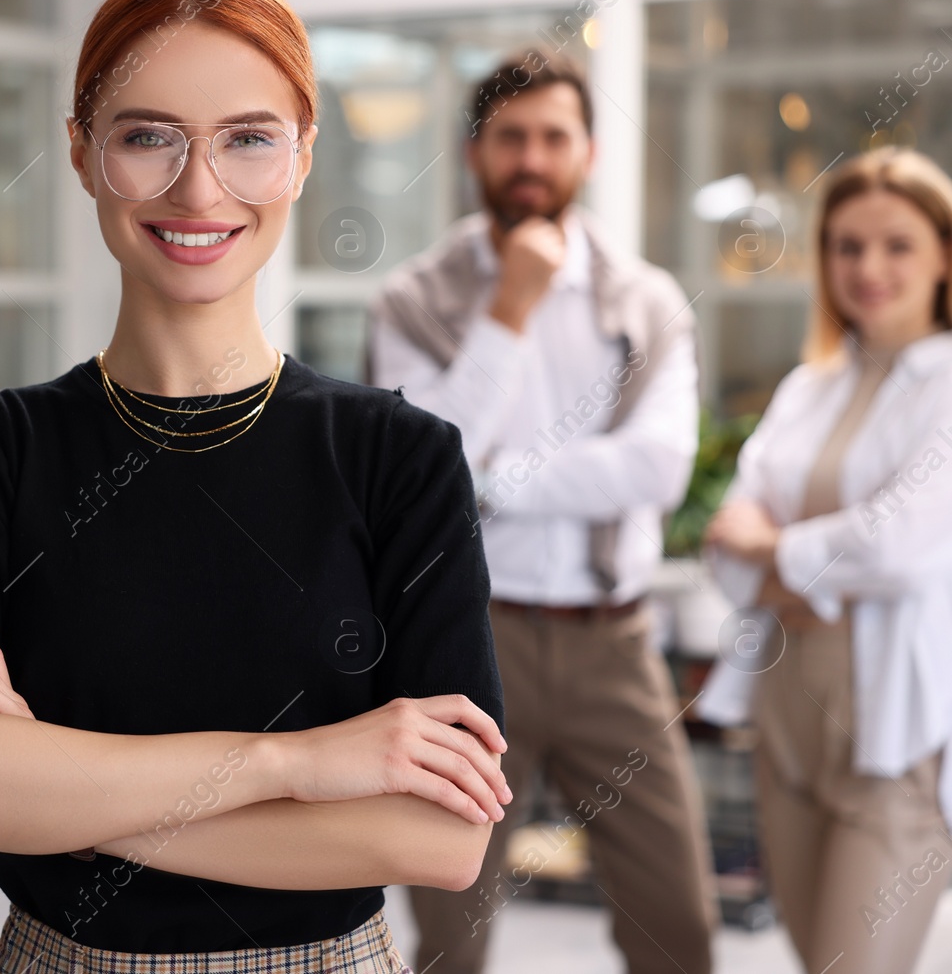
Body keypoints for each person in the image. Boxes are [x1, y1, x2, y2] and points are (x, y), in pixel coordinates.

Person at [0, 0, 511, 973]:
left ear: (301, 154)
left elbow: (440, 836)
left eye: (247, 139)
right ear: (81, 153)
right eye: (147, 136)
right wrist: (291, 763)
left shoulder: (401, 459)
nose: (197, 187)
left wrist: (44, 783)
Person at [367, 49, 718, 974]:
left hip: (616, 645)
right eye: (510, 136)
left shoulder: (645, 301)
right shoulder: (413, 298)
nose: (533, 157)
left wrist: (495, 479)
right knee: (451, 929)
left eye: (553, 137)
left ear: (589, 152)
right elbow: (421, 467)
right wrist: (509, 309)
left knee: (678, 923)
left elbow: (658, 468)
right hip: (469, 640)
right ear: (475, 150)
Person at [700, 147, 952, 974]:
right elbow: (725, 534)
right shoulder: (809, 386)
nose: (867, 267)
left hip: (894, 739)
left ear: (944, 252)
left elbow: (904, 547)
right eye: (846, 245)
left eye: (897, 244)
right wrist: (817, 571)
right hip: (786, 722)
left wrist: (780, 558)